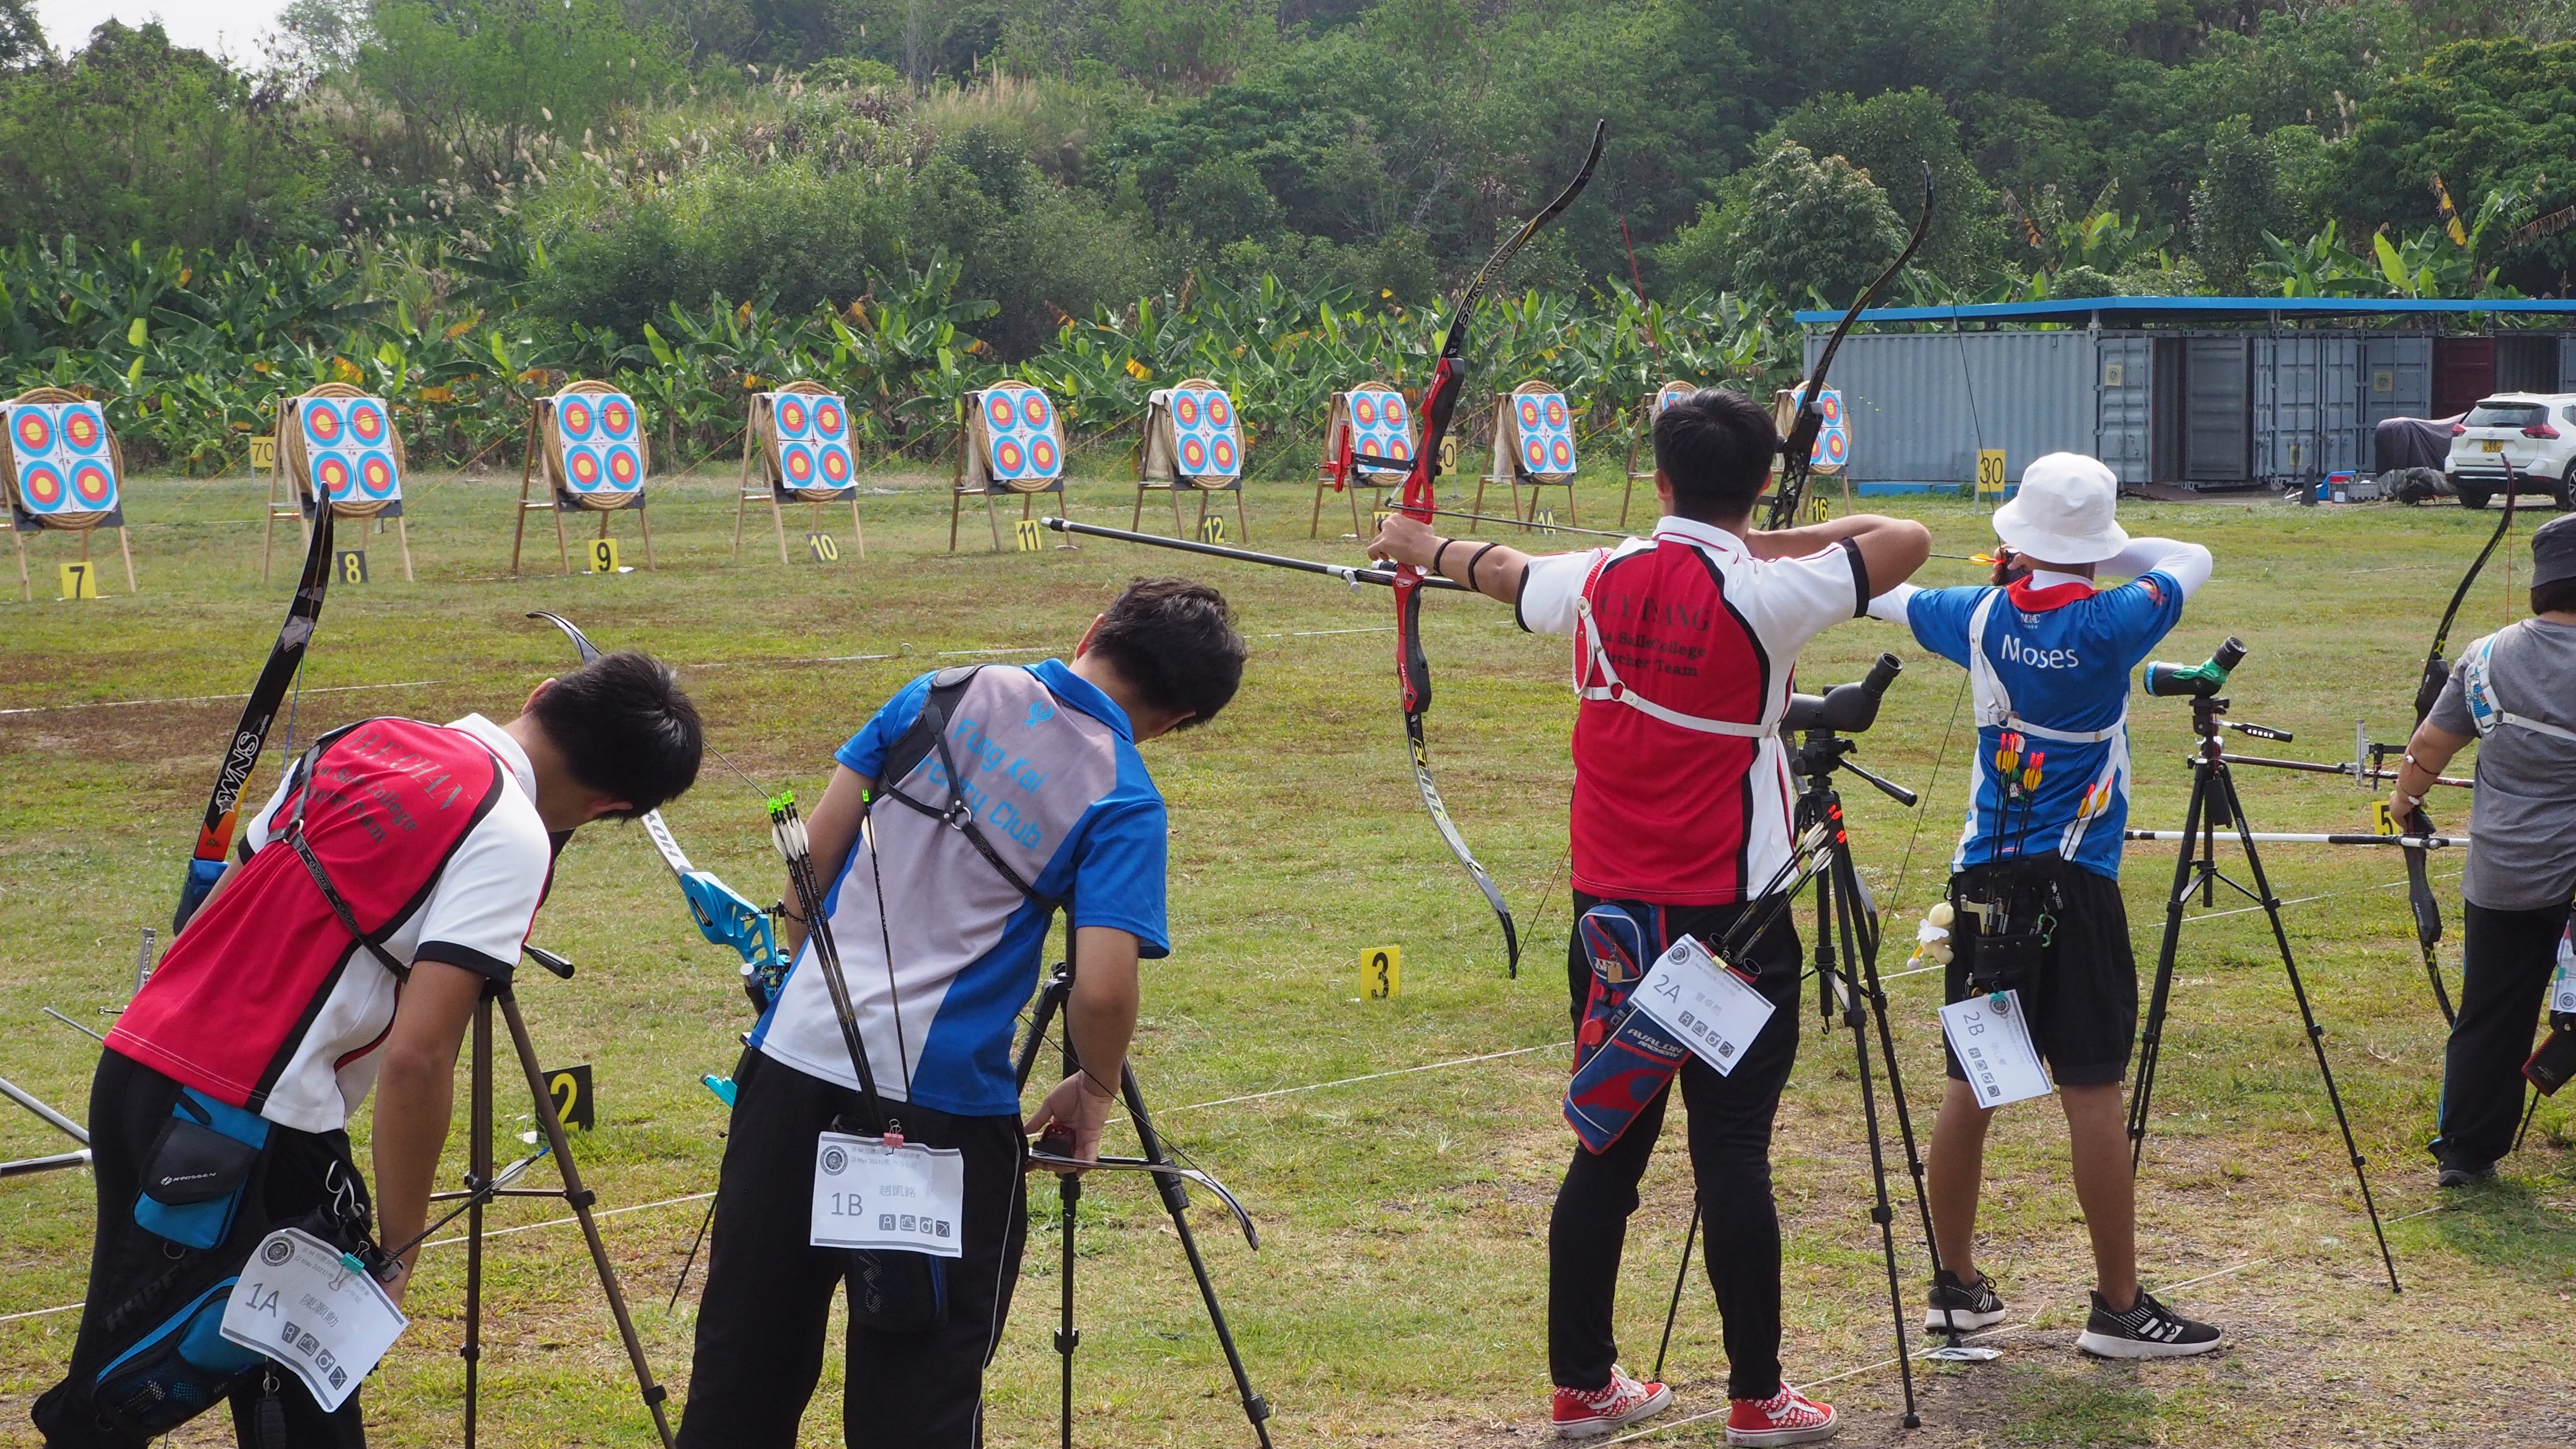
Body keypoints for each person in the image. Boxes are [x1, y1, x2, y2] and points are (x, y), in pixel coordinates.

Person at [1372, 388, 1931, 1445]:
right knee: (1731, 1152)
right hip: (1736, 922)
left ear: (1658, 477)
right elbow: (1901, 535)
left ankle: (1582, 1384)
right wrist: (1752, 532)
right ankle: (1756, 1397)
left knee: (1608, 1148)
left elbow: (1497, 573)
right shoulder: (1770, 595)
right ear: (1760, 481)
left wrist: (1421, 541)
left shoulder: (1599, 574)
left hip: (1615, 923)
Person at [34, 652, 704, 1447]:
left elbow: (217, 905)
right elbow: (420, 1056)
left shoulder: (365, 736)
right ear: (610, 807)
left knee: (218, 1362)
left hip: (138, 1070)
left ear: (542, 694)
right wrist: (400, 1240)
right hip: (244, 1118)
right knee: (149, 1385)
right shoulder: (513, 834)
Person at [675, 577, 1247, 1449]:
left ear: (1097, 629)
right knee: (918, 1394)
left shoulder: (939, 691)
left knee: (743, 1368)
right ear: (1177, 720)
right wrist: (1093, 1088)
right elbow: (1100, 988)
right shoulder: (1124, 795)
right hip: (939, 1115)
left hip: (790, 1068)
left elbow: (806, 877)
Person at [1866, 452, 2223, 1360]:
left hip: (1983, 882)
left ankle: (1953, 1286)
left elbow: (1874, 591)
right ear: (2097, 549)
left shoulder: (1976, 613)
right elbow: (2188, 555)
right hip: (2073, 884)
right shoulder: (2115, 617)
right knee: (2091, 1086)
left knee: (1972, 1082)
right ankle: (2115, 1307)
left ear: (2015, 535)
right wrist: (2092, 555)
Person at [2390, 512, 2576, 1188]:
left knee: (2491, 1012)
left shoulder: (2488, 654)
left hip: (2506, 873)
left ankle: (2467, 1154)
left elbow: (2430, 748)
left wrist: (2403, 800)